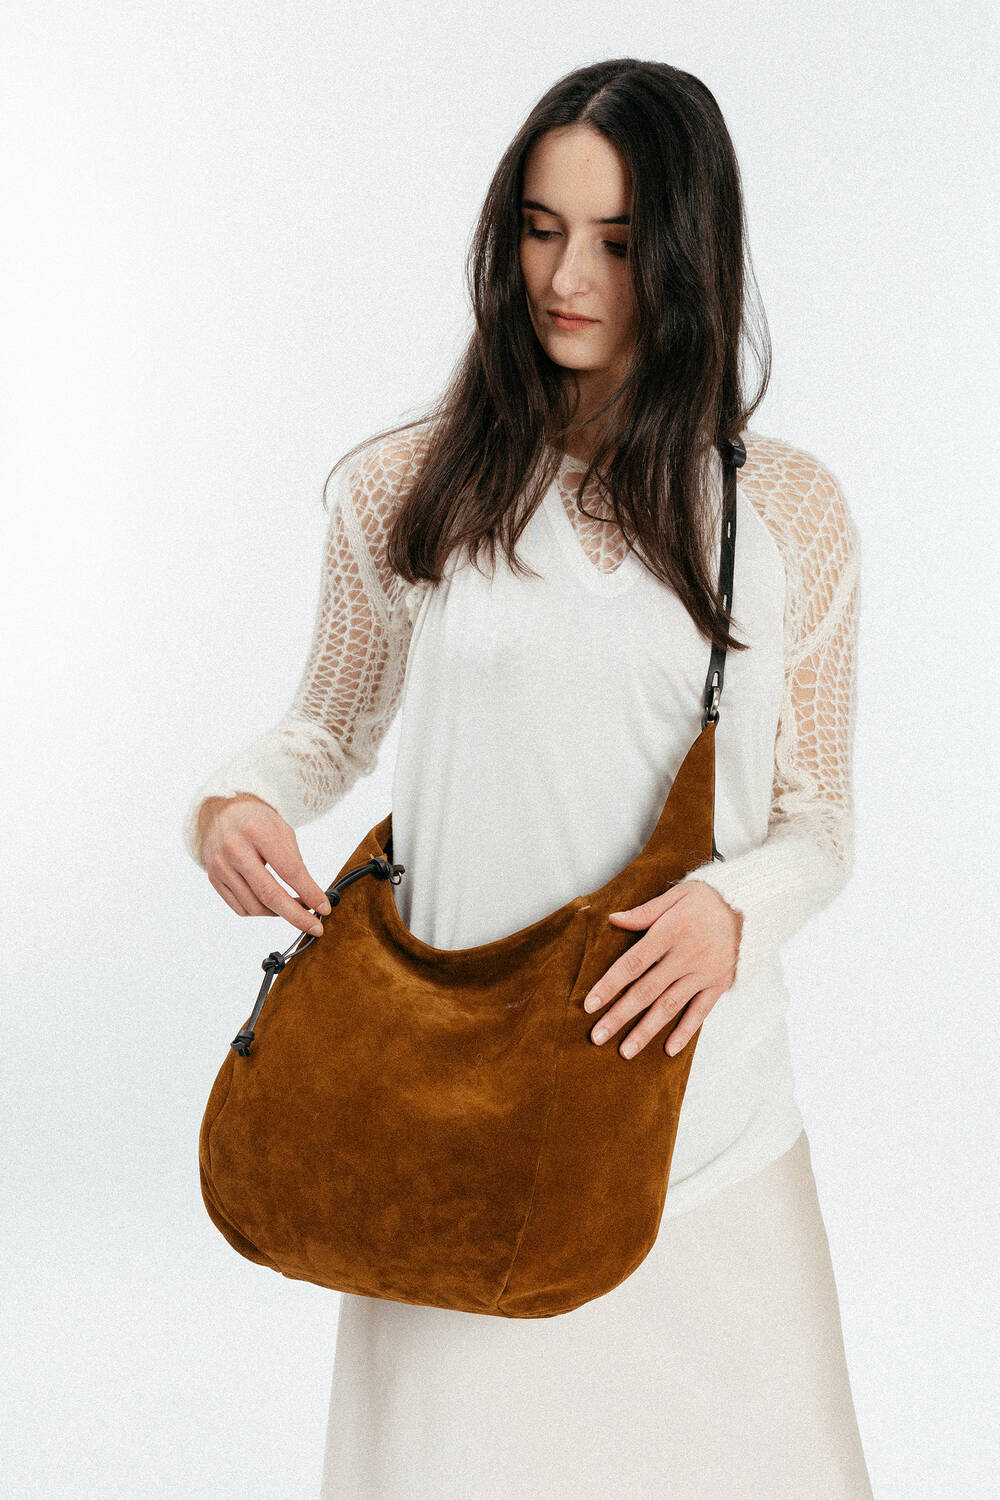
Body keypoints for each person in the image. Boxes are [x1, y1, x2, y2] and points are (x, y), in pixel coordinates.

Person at [184, 58, 875, 1500]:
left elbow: (819, 817)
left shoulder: (786, 511)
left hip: (703, 1108)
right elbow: (326, 727)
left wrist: (733, 909)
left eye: (617, 243)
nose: (568, 276)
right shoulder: (410, 487)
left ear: (690, 252)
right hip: (462, 1114)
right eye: (541, 228)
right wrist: (235, 802)